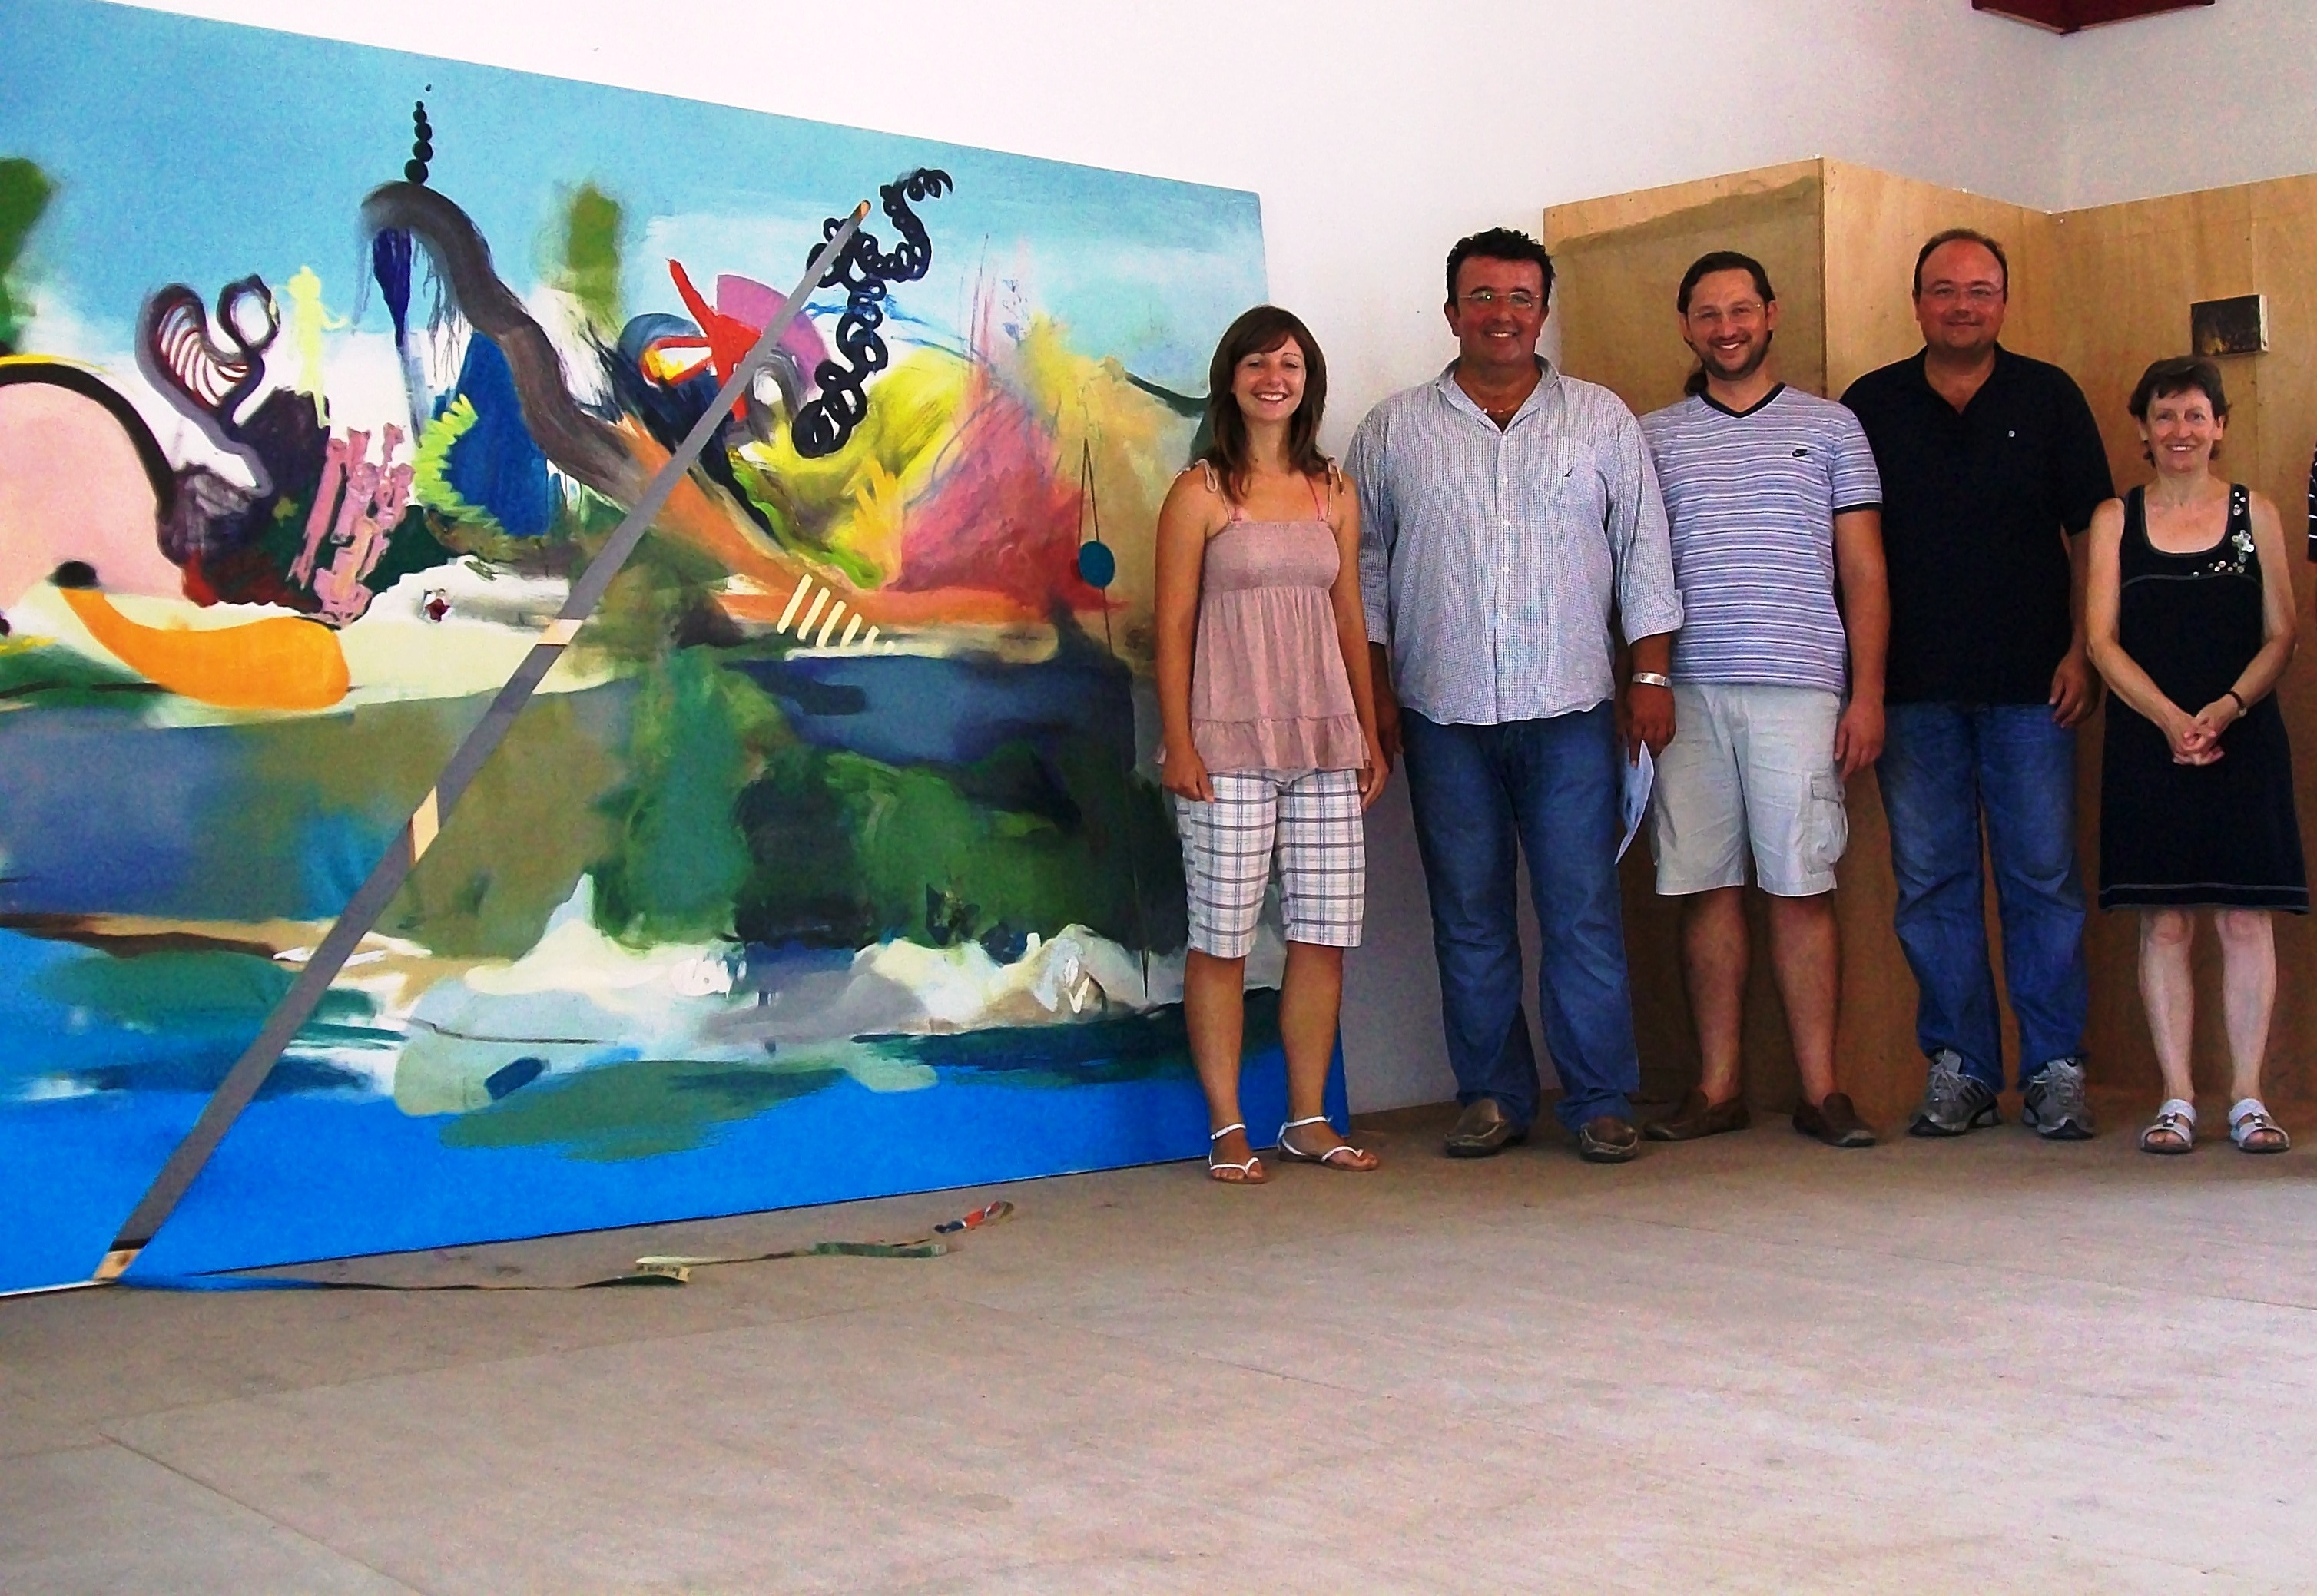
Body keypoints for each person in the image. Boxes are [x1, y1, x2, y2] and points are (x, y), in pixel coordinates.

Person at [1347, 228, 1682, 1164]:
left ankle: (1599, 1099)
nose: (1501, 314)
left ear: (1543, 310)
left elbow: (1643, 553)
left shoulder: (1600, 420)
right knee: (1469, 915)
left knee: (1582, 913)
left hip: (1573, 710)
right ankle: (1492, 1095)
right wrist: (1376, 695)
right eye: (1482, 297)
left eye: (1520, 297)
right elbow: (1362, 572)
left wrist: (1649, 675)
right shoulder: (1392, 430)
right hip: (1441, 714)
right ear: (1451, 311)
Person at [1841, 230, 2115, 1140]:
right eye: (1944, 289)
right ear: (1916, 301)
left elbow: (2093, 532)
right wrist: (1863, 684)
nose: (1962, 305)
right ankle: (1960, 1065)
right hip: (1911, 690)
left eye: (1980, 290)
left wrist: (2083, 649)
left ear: (2003, 300)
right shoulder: (1870, 404)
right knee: (1931, 883)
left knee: (2042, 878)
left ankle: (2053, 1069)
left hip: (2036, 687)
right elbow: (1850, 551)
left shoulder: (2048, 395)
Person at [1639, 251, 1888, 1149]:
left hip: (1800, 686)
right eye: (1707, 313)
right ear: (1685, 326)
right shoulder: (1651, 436)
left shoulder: (1833, 427)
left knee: (1799, 885)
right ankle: (1716, 1089)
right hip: (1688, 691)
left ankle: (1822, 1091)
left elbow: (1864, 570)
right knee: (1702, 887)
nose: (1726, 327)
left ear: (1771, 314)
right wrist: (1645, 682)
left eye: (1741, 309)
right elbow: (1634, 573)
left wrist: (1867, 694)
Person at [1154, 304, 1388, 1184]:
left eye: (1288, 363)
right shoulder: (1200, 492)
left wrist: (1368, 733)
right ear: (1231, 377)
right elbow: (1172, 625)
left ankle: (1307, 1118)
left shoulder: (1335, 491)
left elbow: (1349, 615)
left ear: (1307, 380)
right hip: (1225, 746)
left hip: (1324, 742)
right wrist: (1180, 744)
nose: (1273, 378)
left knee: (1321, 937)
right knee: (1221, 939)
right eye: (1256, 363)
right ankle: (1226, 1125)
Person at [2084, 356, 2304, 1155]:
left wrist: (2226, 709)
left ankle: (2248, 1097)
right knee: (2166, 921)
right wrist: (2171, 719)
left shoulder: (2257, 512)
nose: (2181, 430)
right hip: (2150, 744)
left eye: (2195, 415)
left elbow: (2281, 632)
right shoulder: (2116, 517)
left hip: (2243, 739)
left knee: (2245, 919)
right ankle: (2175, 1097)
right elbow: (2100, 640)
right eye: (2165, 415)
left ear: (2219, 427)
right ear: (2143, 429)